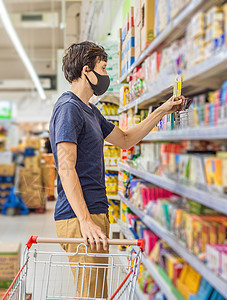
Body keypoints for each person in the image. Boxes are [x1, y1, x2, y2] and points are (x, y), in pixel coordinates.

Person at [49, 41, 184, 298]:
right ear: (86, 70)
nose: (106, 75)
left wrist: (162, 110)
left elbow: (124, 139)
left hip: (93, 213)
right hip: (80, 217)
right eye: (103, 68)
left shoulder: (90, 110)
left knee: (97, 293)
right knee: (92, 294)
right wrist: (86, 220)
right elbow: (66, 168)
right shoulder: (69, 108)